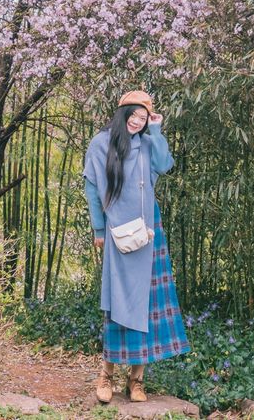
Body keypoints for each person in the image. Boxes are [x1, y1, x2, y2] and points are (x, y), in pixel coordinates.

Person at [83, 89, 189, 403]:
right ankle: (106, 375)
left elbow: (165, 164)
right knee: (118, 304)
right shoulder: (101, 143)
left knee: (146, 306)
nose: (137, 121)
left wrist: (155, 129)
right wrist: (99, 228)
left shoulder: (146, 142)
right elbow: (91, 186)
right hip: (117, 230)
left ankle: (137, 380)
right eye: (134, 115)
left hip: (148, 230)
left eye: (143, 118)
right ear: (122, 113)